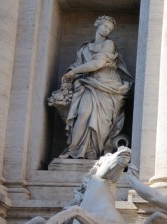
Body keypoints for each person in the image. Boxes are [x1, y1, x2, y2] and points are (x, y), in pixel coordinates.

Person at [56, 15, 132, 160]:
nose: (107, 30)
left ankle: (93, 151)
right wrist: (70, 73)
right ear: (97, 24)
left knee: (102, 121)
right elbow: (78, 64)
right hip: (88, 84)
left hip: (107, 87)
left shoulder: (109, 44)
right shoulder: (84, 48)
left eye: (110, 29)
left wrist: (74, 72)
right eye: (105, 26)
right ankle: (73, 149)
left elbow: (97, 64)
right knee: (83, 114)